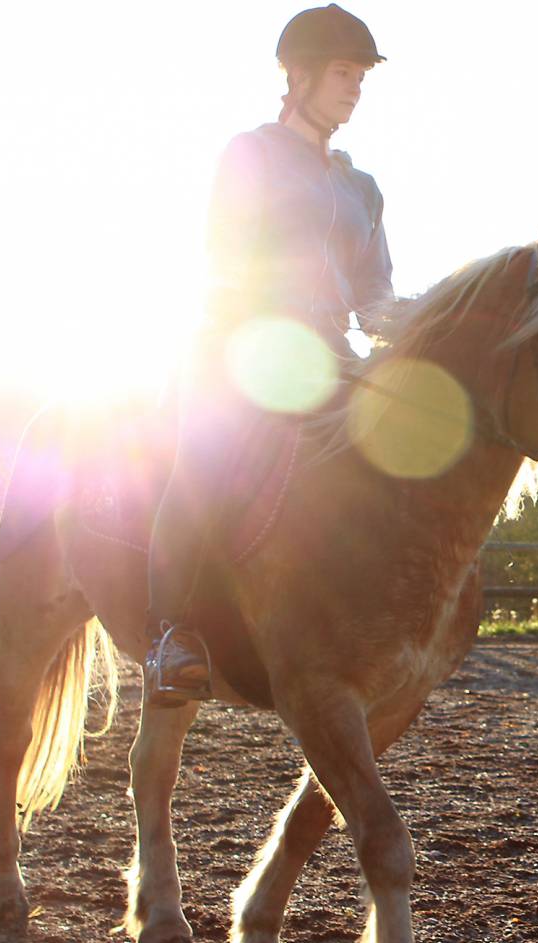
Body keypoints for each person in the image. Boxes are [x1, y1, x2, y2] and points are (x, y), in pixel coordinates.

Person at [143, 4, 395, 706]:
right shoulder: (249, 155)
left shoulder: (362, 187)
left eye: (362, 77)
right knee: (206, 464)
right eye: (345, 73)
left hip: (333, 359)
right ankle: (175, 635)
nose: (355, 88)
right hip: (240, 350)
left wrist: (420, 333)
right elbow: (223, 257)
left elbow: (376, 296)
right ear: (301, 76)